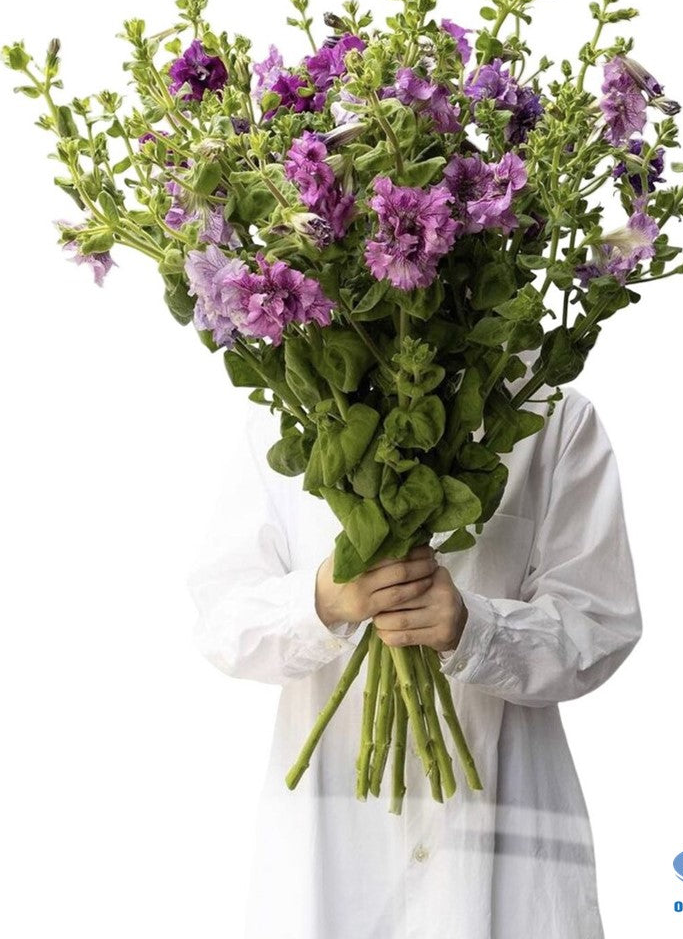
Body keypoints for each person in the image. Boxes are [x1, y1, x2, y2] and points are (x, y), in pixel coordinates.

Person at [185, 358, 642, 939]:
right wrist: (320, 602)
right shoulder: (288, 409)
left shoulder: (546, 413)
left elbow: (599, 625)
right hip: (331, 842)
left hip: (508, 833)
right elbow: (222, 620)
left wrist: (476, 630)